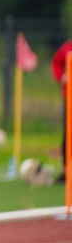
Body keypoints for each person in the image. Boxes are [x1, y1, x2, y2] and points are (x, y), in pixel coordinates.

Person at [52, 39, 72, 183]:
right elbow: (56, 64)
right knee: (68, 133)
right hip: (69, 97)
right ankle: (66, 171)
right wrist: (62, 77)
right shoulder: (67, 48)